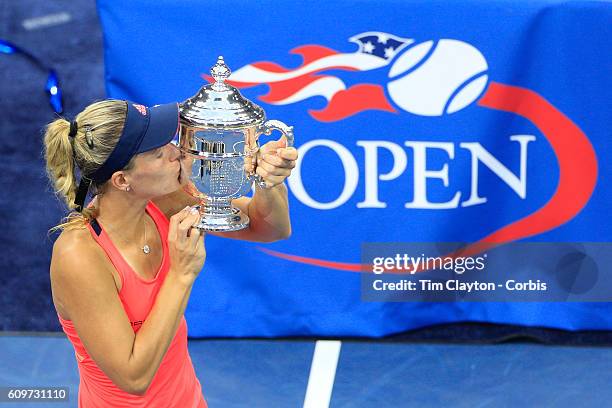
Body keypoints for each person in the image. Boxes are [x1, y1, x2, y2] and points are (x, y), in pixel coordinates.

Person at [43, 99, 297, 407]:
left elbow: (269, 228)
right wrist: (181, 274)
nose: (179, 152)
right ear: (123, 180)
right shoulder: (79, 256)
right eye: (159, 152)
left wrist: (267, 181)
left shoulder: (163, 199)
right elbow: (134, 377)